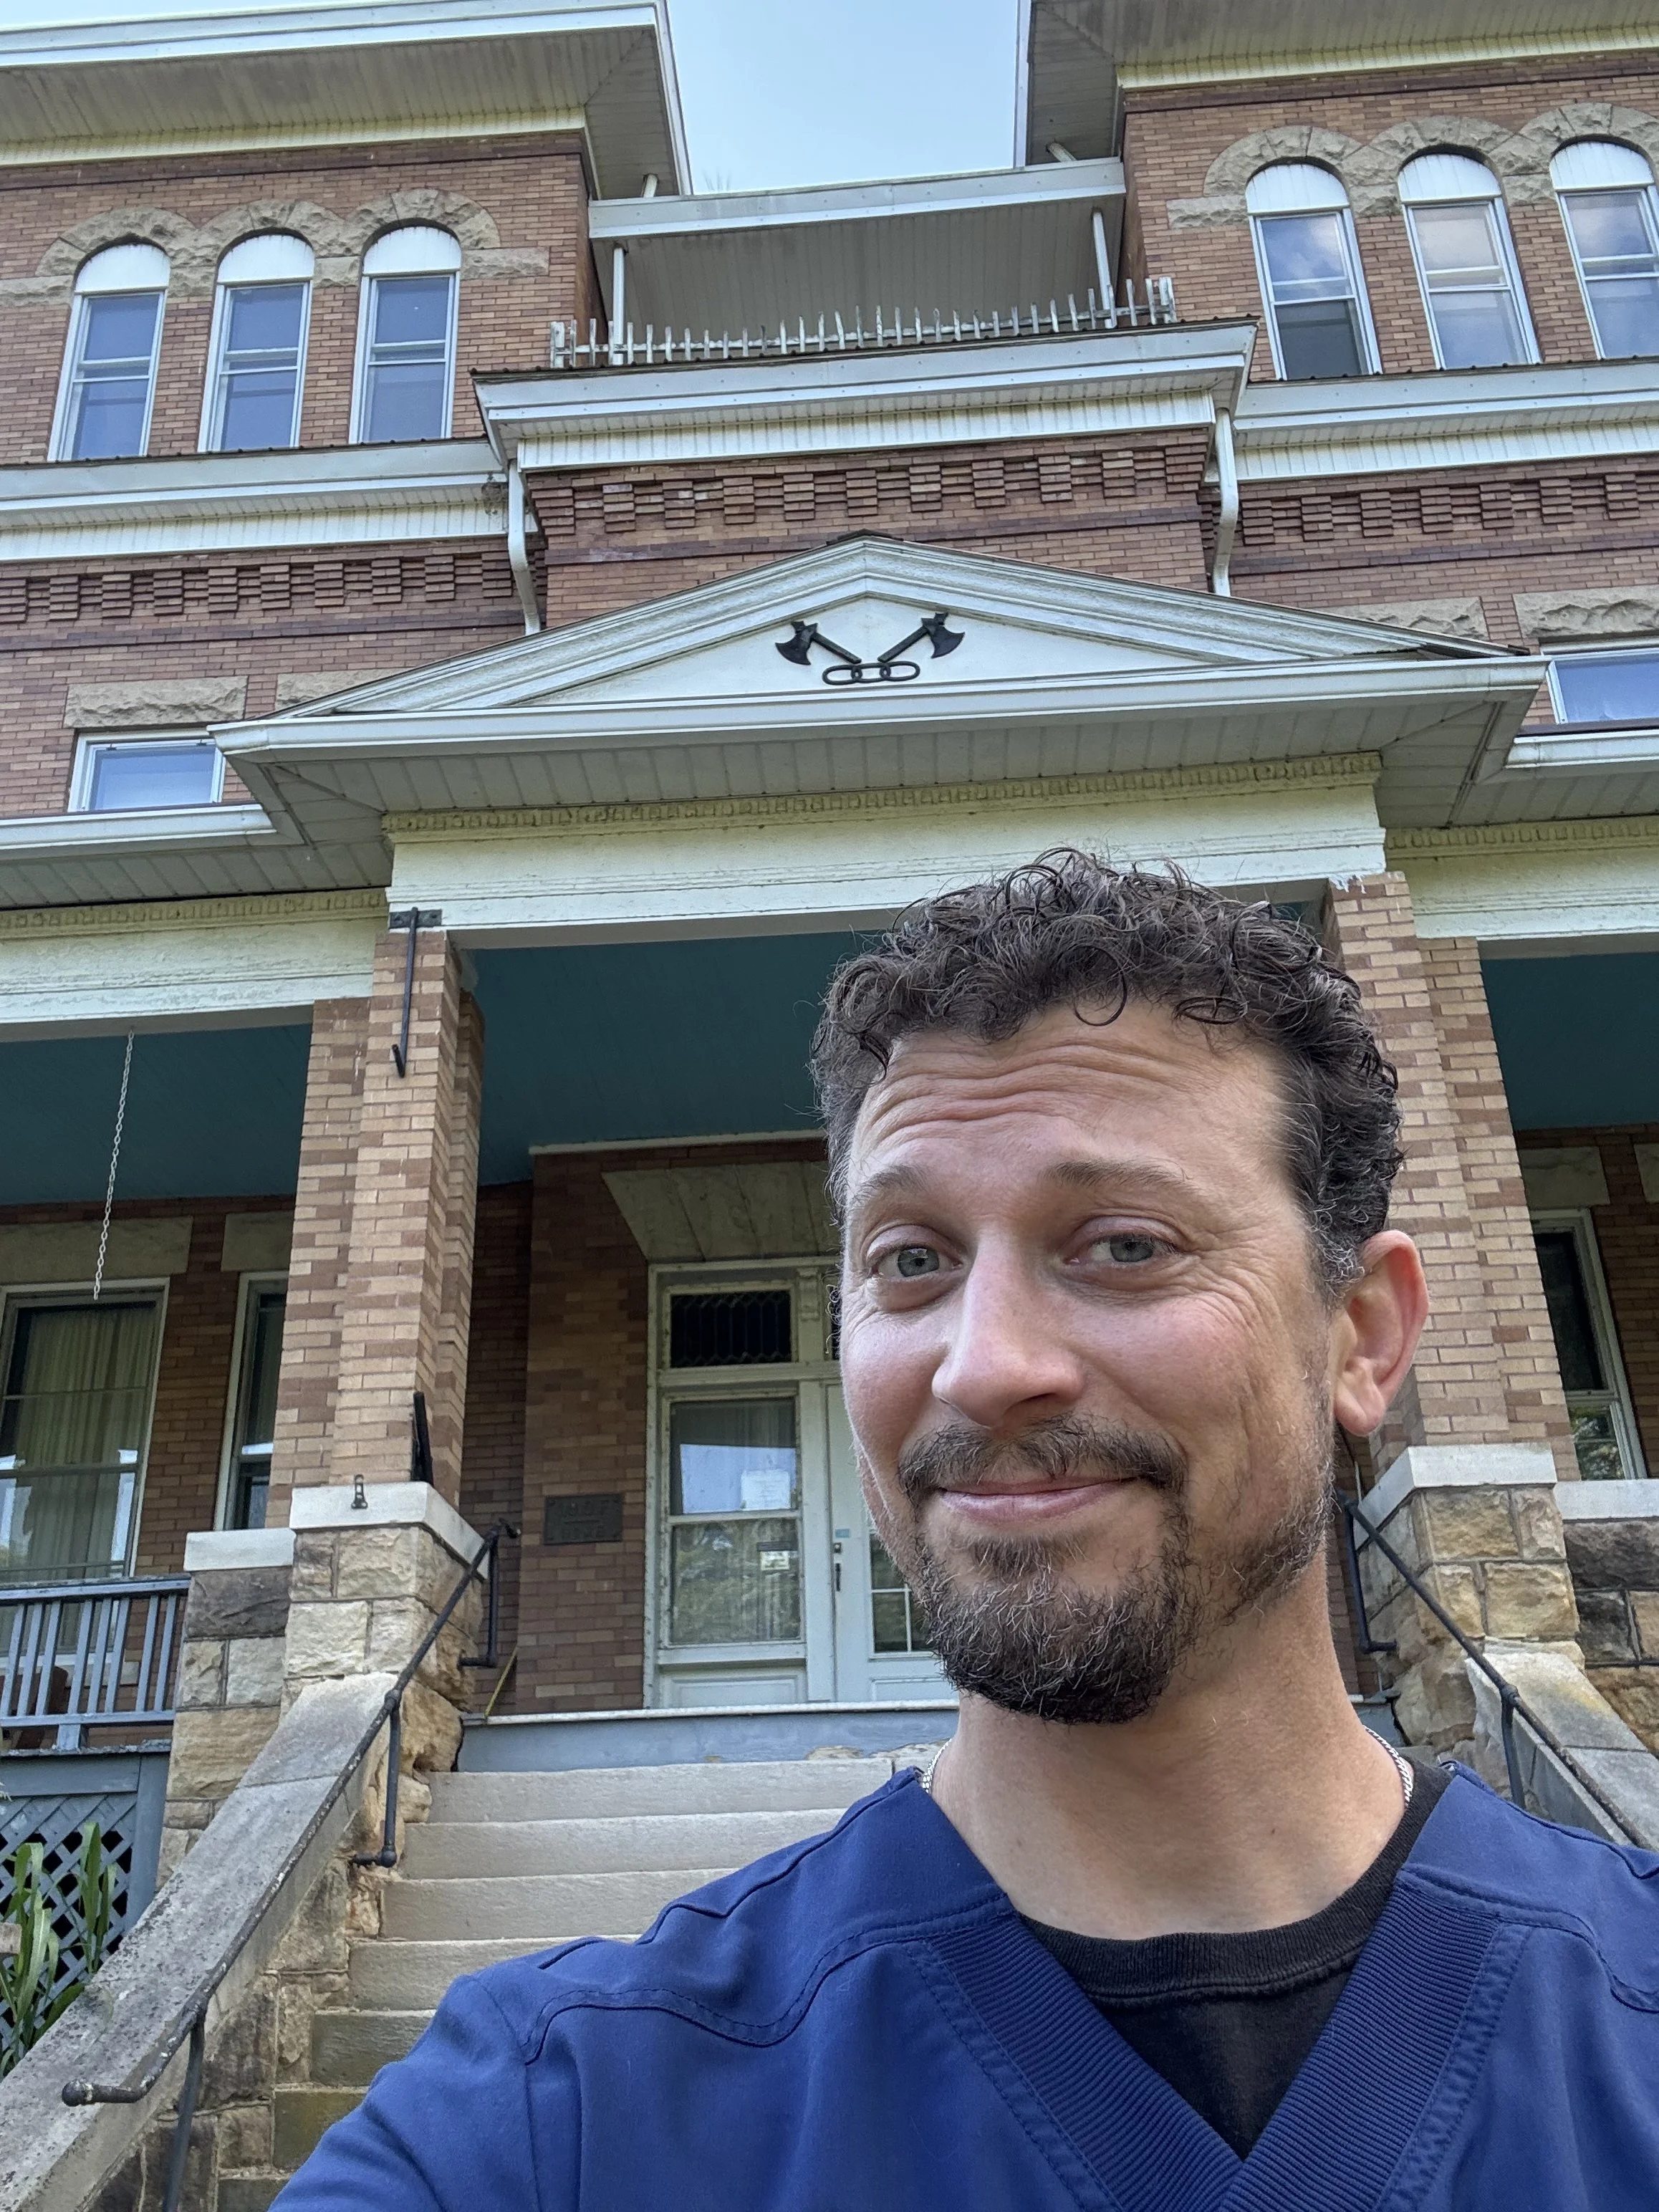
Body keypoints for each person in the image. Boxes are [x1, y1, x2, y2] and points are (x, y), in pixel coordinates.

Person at [279, 854, 1659, 2209]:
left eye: (1124, 1244)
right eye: (912, 1261)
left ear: (1360, 1338)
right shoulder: (552, 2121)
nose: (982, 1365)